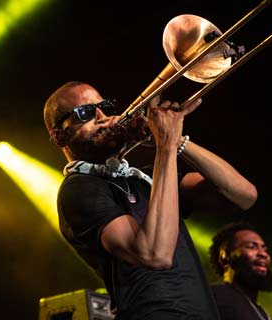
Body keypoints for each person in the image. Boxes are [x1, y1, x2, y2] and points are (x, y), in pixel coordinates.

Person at [43, 80, 258, 319]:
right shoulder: (79, 189)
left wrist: (177, 142)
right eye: (85, 113)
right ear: (59, 135)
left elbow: (244, 195)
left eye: (104, 106)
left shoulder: (145, 179)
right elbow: (154, 254)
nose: (102, 116)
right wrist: (165, 145)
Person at [209, 221, 272, 320]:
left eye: (265, 249)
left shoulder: (261, 312)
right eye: (251, 246)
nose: (263, 254)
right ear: (224, 256)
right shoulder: (212, 296)